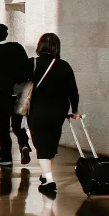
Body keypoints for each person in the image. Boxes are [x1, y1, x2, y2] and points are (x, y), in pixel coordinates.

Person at [25, 33, 80, 196]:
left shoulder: (32, 63)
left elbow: (19, 83)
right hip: (59, 111)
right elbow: (73, 91)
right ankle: (45, 173)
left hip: (38, 109)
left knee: (41, 145)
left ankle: (49, 181)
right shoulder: (64, 66)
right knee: (50, 143)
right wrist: (75, 110)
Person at [0, 23, 33, 167]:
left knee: (3, 125)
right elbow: (26, 66)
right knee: (17, 122)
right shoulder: (17, 47)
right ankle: (24, 144)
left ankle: (6, 157)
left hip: (3, 93)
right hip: (18, 92)